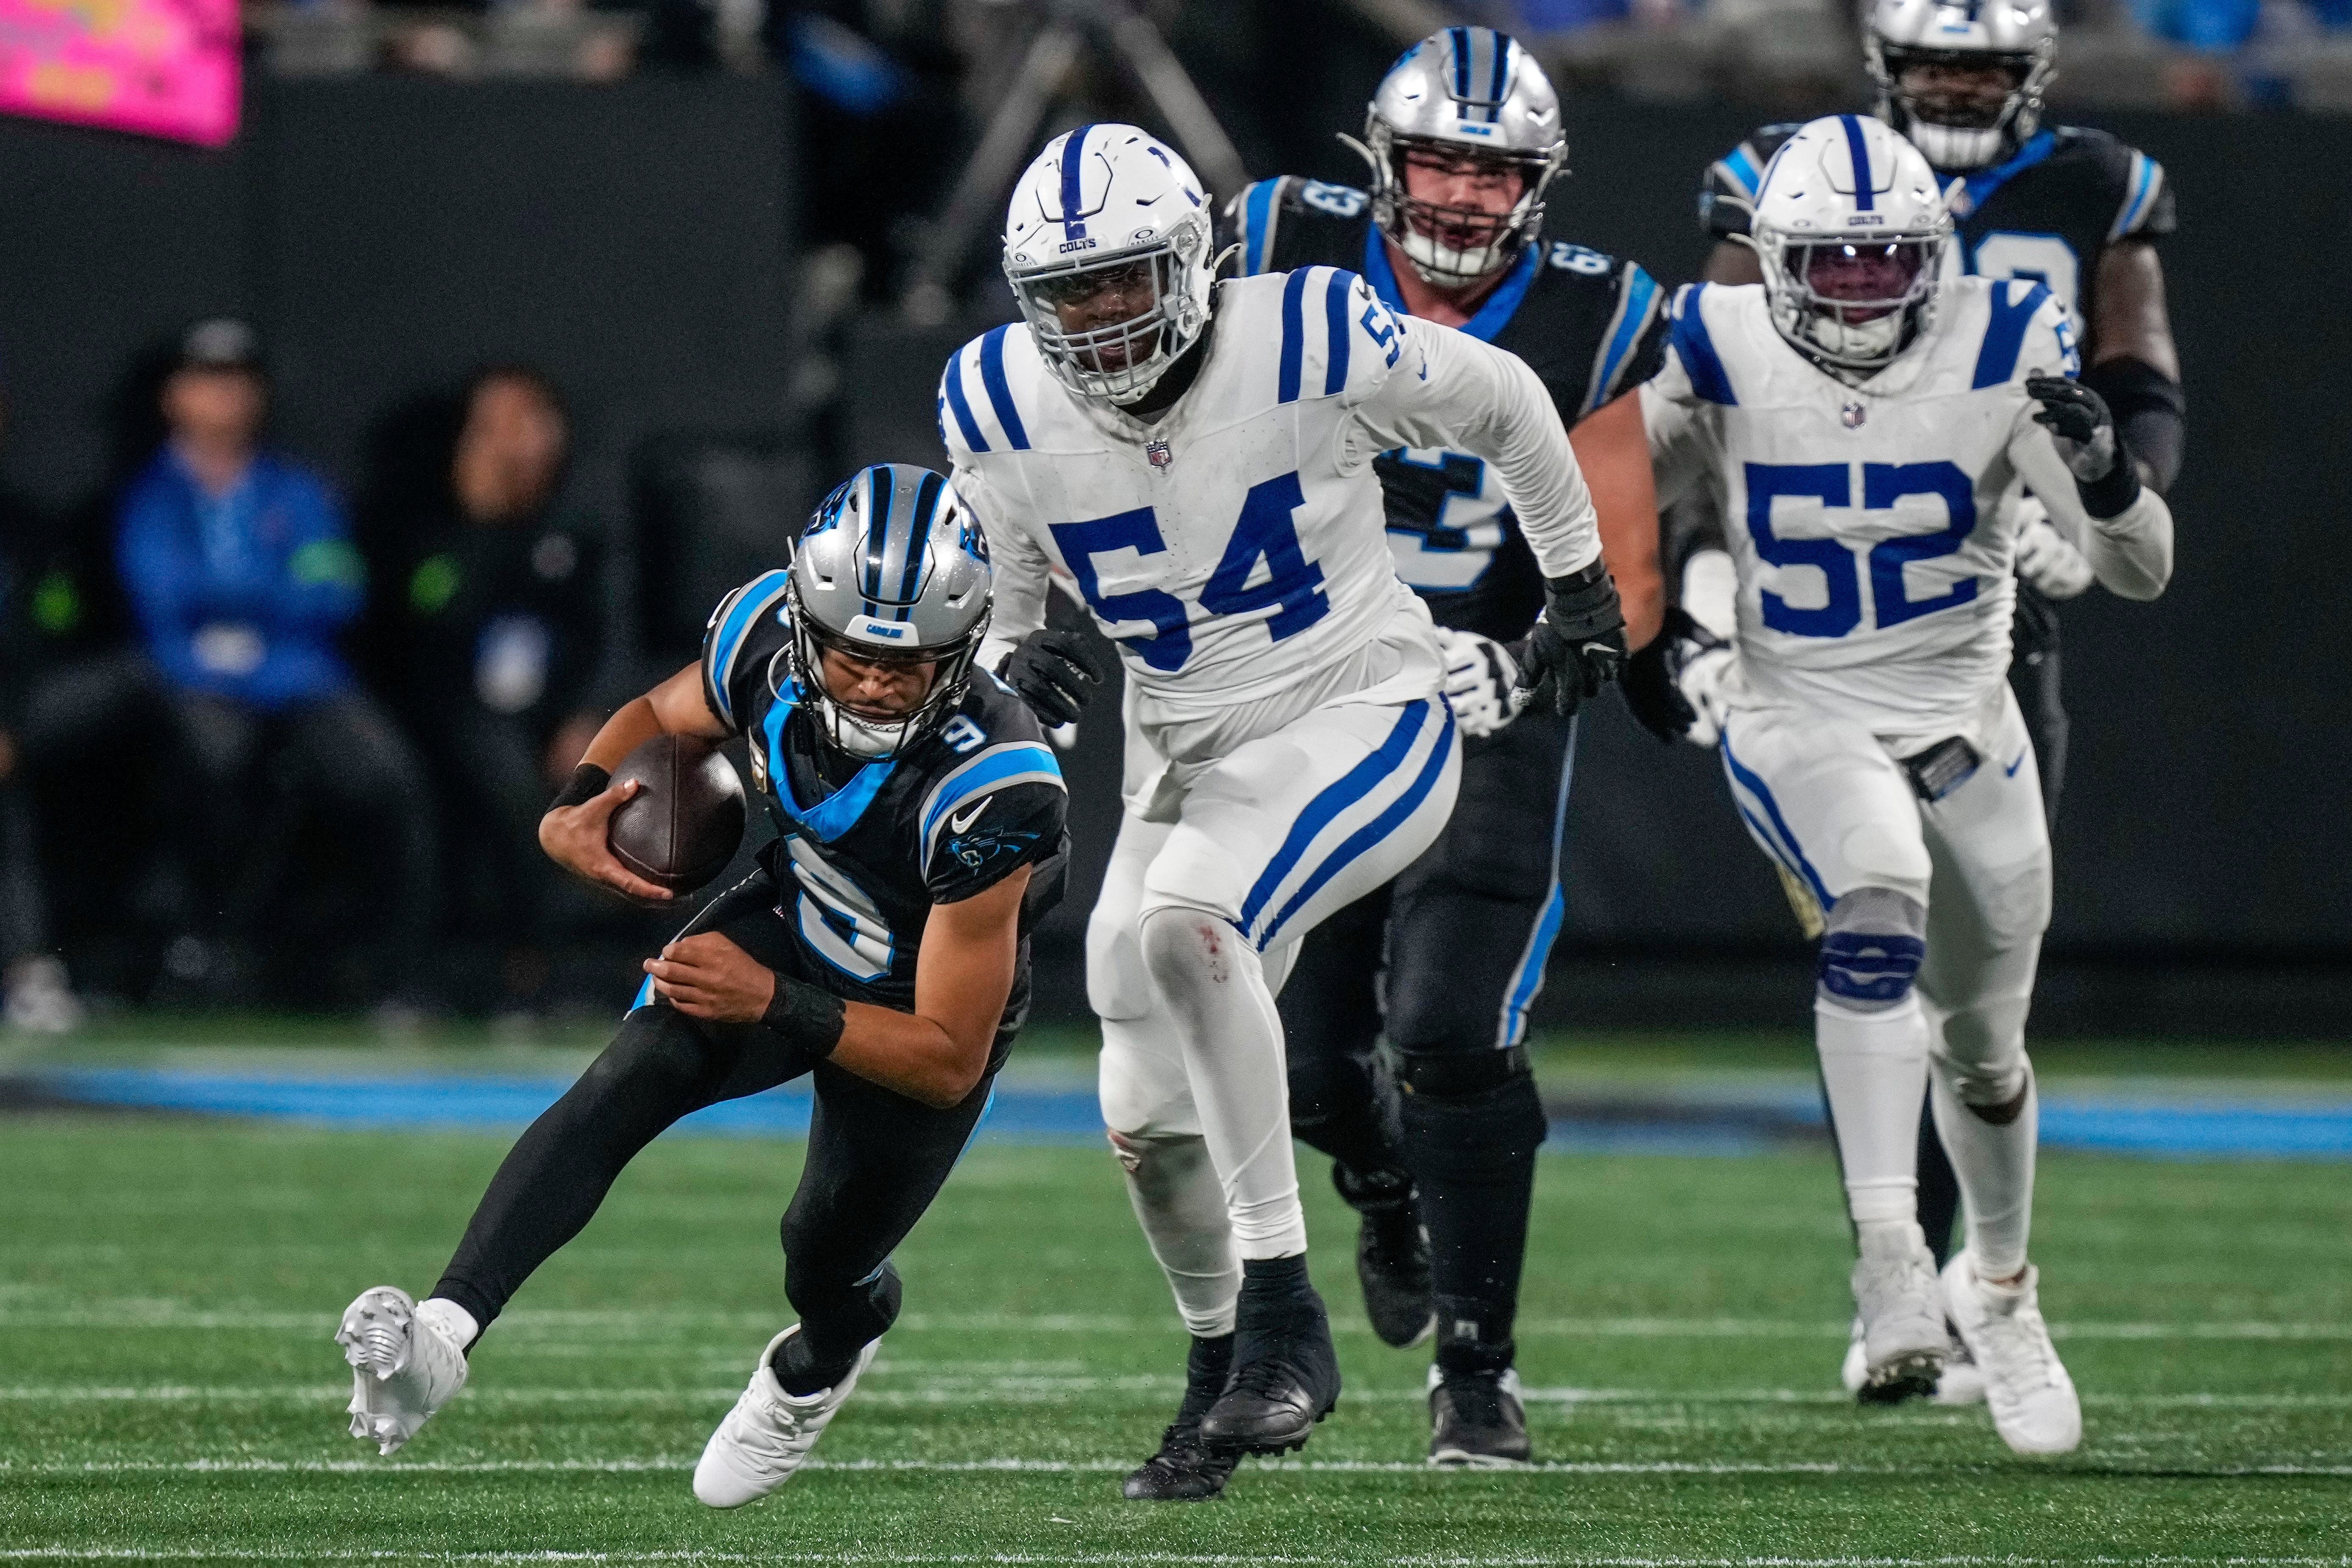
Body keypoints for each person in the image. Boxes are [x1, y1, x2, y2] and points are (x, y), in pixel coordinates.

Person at [944, 124, 1619, 1489]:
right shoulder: (994, 396)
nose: (1099, 315)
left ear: (1193, 261)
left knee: (1189, 922)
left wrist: (1578, 588)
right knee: (1141, 1103)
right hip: (1184, 755)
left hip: (1363, 709)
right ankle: (1216, 1379)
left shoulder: (1306, 328)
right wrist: (1017, 681)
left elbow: (1506, 400)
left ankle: (1282, 1324)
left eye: (1125, 278)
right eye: (1069, 291)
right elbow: (1012, 622)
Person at [336, 464, 1070, 1509]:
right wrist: (576, 802)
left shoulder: (997, 784)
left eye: (907, 666)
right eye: (854, 654)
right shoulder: (762, 636)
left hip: (915, 1012)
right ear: (807, 625)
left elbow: (950, 1058)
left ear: (961, 653)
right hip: (797, 923)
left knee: (822, 1256)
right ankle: (443, 1336)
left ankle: (818, 1363)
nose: (873, 685)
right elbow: (659, 709)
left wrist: (772, 1002)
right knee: (631, 1071)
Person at [1623, 117, 2172, 1456]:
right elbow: (1605, 491)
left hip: (1966, 722)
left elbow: (2140, 570)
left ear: (1935, 256)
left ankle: (1999, 1288)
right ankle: (1888, 1253)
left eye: (1888, 260)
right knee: (1877, 898)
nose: (1863, 288)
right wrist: (1664, 619)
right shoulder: (1714, 337)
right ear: (1775, 260)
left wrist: (2106, 478)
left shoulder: (2004, 337)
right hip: (1792, 709)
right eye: (1834, 262)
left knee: (1984, 1054)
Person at [1204, 27, 1668, 1473]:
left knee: (1453, 1032)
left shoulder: (1590, 314)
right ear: (1380, 162)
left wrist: (1525, 658)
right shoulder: (1275, 244)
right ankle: (1379, 1177)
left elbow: (1629, 569)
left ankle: (1477, 1369)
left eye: (1494, 170)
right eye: (1439, 162)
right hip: (1300, 694)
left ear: (1539, 185)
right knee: (1293, 1061)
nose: (1463, 195)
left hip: (1484, 695)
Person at [115, 319, 437, 1009]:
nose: (225, 398)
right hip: (194, 679)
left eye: (239, 383)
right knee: (215, 765)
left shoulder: (298, 493)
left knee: (385, 777)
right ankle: (204, 953)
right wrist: (272, 590)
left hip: (298, 675)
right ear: (175, 397)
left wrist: (233, 607)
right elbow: (161, 598)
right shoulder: (151, 497)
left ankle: (396, 976)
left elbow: (337, 590)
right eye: (208, 382)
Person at [380, 366, 607, 1013]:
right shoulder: (433, 531)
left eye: (527, 421)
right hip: (453, 711)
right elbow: (429, 625)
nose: (514, 443)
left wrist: (588, 714)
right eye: (493, 427)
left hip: (553, 713)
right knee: (498, 774)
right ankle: (495, 966)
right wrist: (479, 520)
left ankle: (567, 969)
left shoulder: (580, 528)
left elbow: (608, 631)